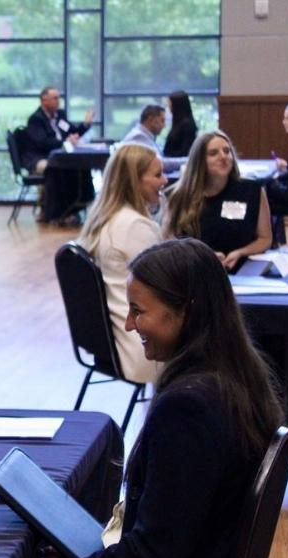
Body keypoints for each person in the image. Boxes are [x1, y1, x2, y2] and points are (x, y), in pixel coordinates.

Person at [43, 238, 284, 558]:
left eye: (138, 311)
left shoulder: (188, 410)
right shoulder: (237, 377)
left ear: (186, 312)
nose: (128, 324)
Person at [77, 143, 165, 384]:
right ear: (135, 181)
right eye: (157, 175)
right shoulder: (134, 226)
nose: (165, 181)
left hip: (110, 346)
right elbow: (166, 288)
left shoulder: (103, 220)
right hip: (141, 350)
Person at [163, 130, 272, 271]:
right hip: (194, 271)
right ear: (199, 161)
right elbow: (169, 242)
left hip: (241, 271)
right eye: (213, 153)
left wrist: (240, 252)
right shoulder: (179, 195)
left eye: (227, 151)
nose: (223, 157)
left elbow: (265, 239)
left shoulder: (252, 191)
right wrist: (204, 257)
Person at [22, 86, 94, 174]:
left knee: (82, 166)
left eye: (59, 98)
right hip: (40, 157)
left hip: (61, 156)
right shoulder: (36, 120)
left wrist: (86, 124)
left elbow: (73, 132)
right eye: (55, 98)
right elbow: (43, 143)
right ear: (44, 101)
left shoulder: (60, 115)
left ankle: (82, 188)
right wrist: (65, 142)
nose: (58, 101)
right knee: (56, 168)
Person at [120, 105, 186, 173]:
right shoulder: (138, 137)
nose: (164, 125)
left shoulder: (144, 135)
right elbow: (160, 163)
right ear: (150, 119)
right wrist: (187, 160)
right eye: (162, 120)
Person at [163, 90, 198, 158]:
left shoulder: (188, 126)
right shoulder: (177, 123)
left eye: (170, 104)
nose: (168, 106)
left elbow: (184, 152)